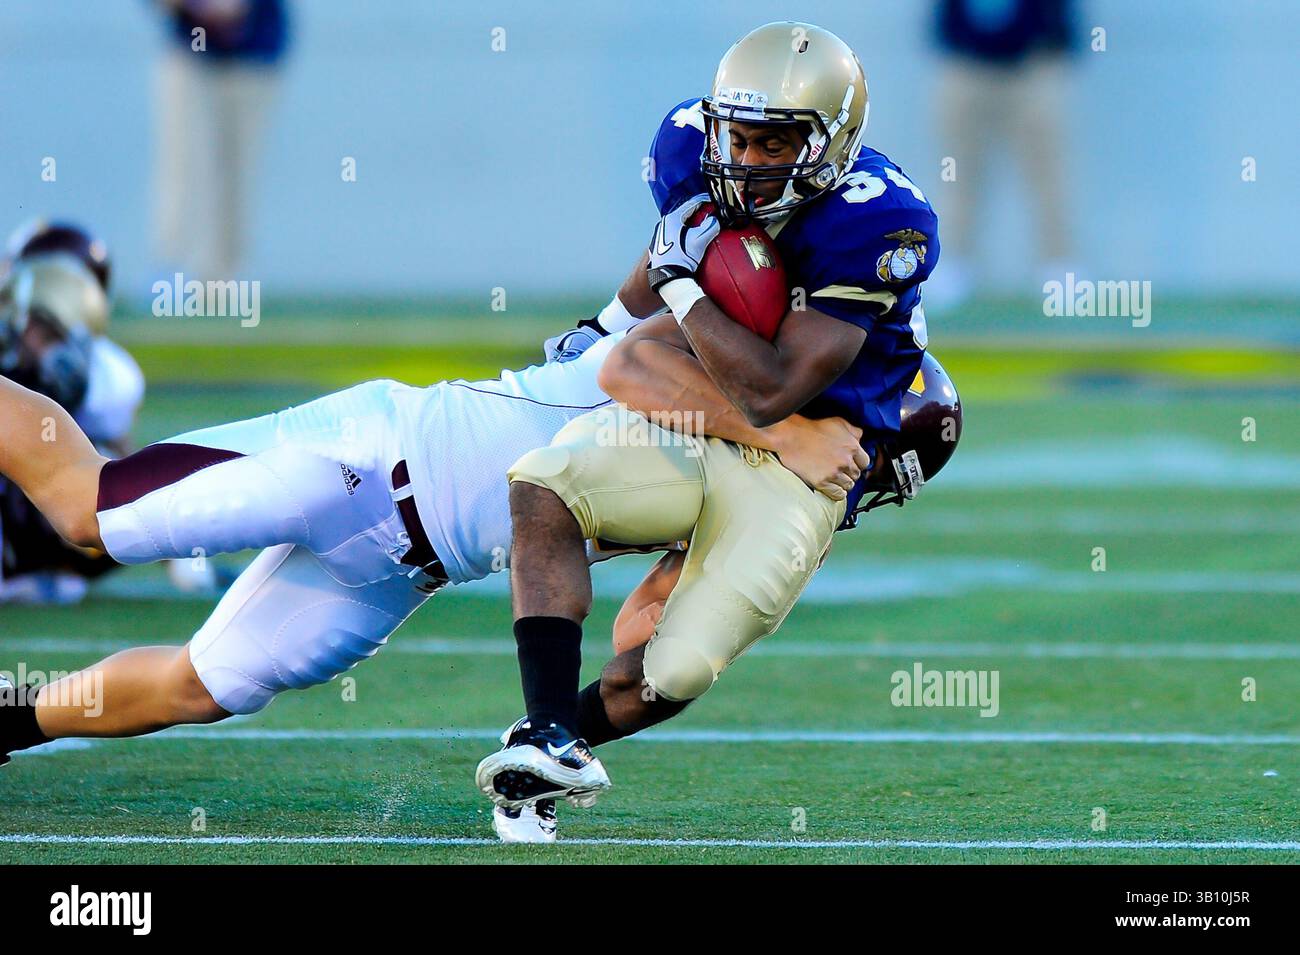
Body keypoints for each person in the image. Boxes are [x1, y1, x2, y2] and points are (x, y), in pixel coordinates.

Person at [475, 21, 959, 841]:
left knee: (670, 669)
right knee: (544, 485)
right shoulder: (690, 148)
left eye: (776, 142)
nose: (748, 159)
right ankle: (545, 729)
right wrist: (609, 319)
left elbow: (773, 389)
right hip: (707, 415)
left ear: (832, 143)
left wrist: (682, 286)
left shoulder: (881, 225)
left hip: (811, 461)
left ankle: (551, 758)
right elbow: (659, 276)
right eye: (740, 135)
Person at [0, 223, 145, 604]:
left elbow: (124, 459)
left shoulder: (107, 371)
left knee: (99, 472)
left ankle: (37, 566)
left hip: (56, 515)